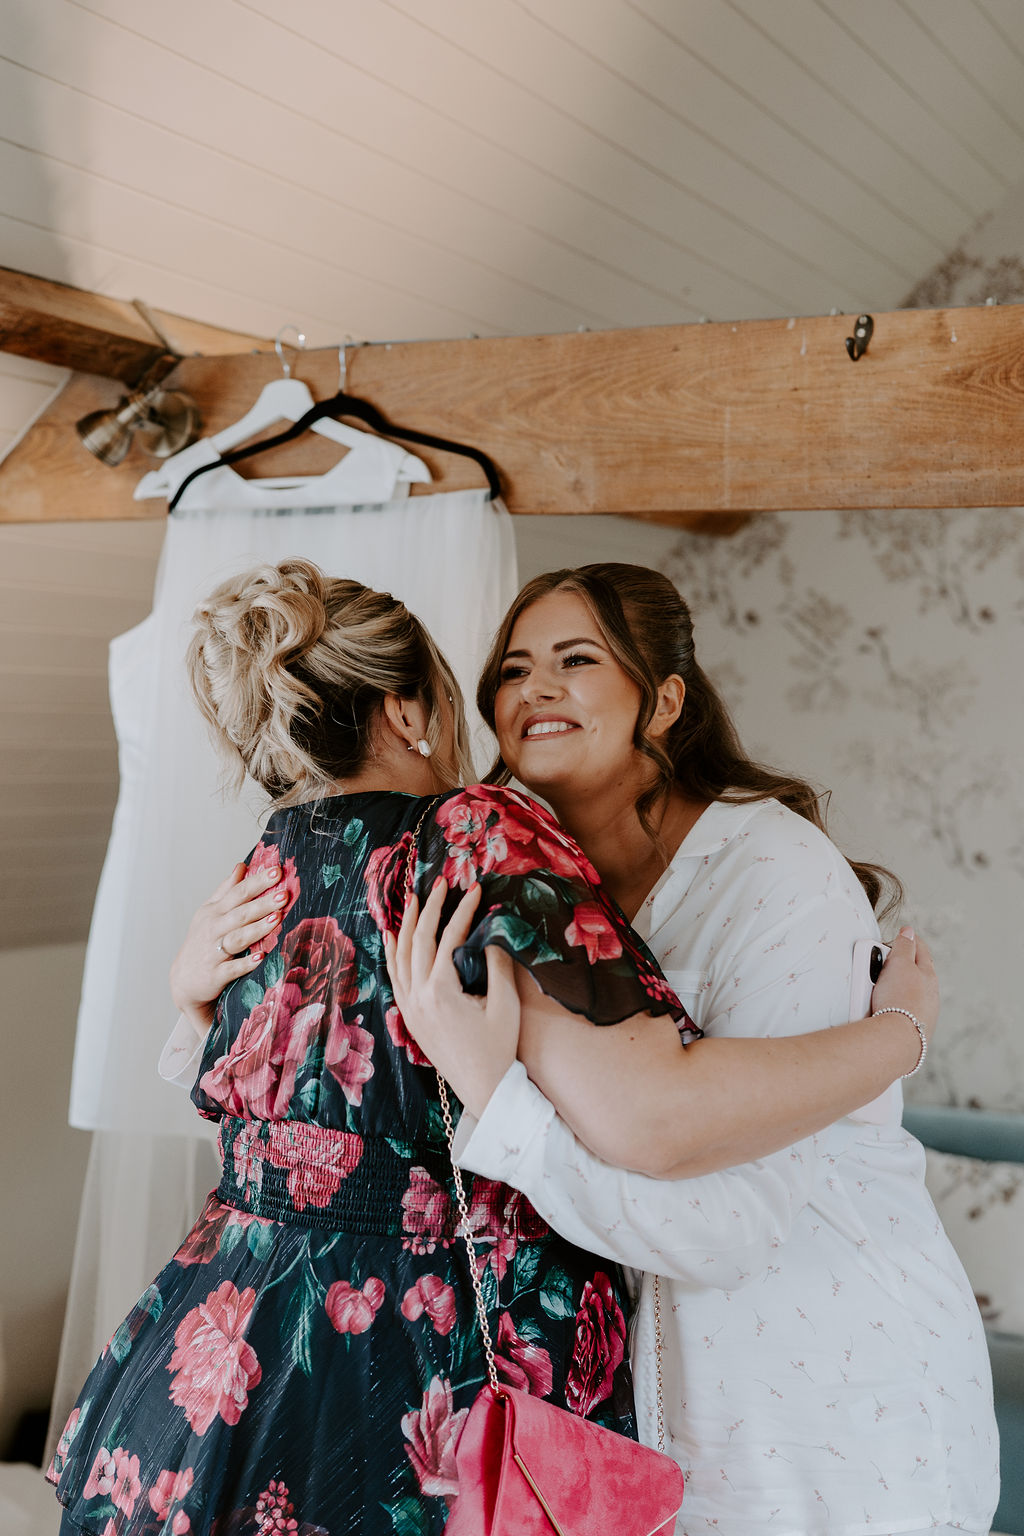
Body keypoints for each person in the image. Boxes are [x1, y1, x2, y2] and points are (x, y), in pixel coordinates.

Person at [166, 562, 985, 1536]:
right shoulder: (496, 845)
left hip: (809, 1363)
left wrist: (901, 1037)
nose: (535, 688)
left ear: (664, 698)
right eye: (512, 668)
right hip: (595, 1374)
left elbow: (715, 1202)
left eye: (575, 659)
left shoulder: (769, 873)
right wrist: (190, 999)